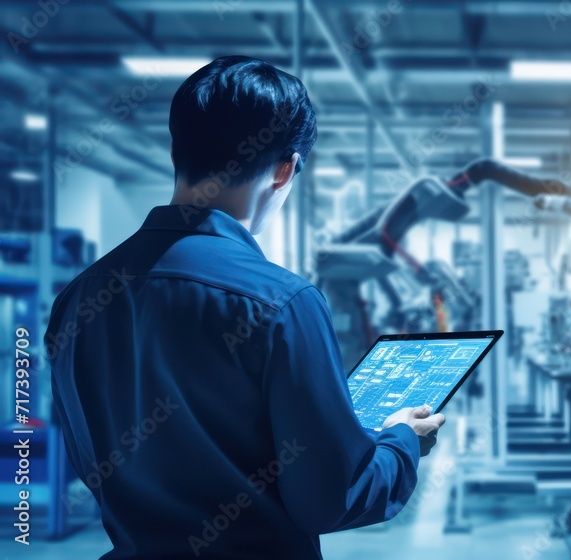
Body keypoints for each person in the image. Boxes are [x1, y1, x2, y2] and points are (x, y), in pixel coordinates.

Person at [45, 55, 444, 559]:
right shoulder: (284, 303)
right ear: (285, 168)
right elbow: (330, 498)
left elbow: (90, 460)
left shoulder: (77, 298)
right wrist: (400, 442)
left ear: (178, 148)